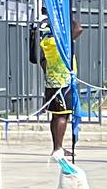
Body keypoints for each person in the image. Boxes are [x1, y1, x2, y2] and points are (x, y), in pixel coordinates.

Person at [30, 12, 82, 162]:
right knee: (62, 115)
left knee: (56, 114)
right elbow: (79, 29)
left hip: (52, 79)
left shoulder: (45, 37)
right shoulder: (59, 40)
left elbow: (41, 59)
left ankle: (57, 147)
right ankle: (58, 149)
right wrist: (68, 15)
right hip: (62, 81)